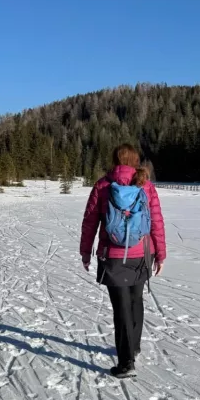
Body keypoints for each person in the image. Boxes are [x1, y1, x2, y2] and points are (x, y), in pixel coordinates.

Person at [80, 144, 166, 378]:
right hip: (142, 253)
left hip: (113, 255)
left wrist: (86, 252)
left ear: (115, 161)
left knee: (121, 307)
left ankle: (126, 362)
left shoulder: (103, 185)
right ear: (135, 161)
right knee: (135, 299)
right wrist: (160, 254)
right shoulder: (145, 185)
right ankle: (133, 347)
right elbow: (156, 221)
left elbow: (90, 222)